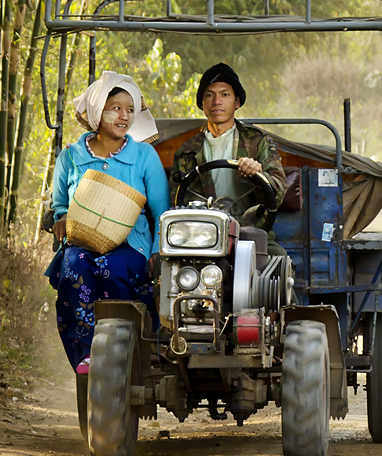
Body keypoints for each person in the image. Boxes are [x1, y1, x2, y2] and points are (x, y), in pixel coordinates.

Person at [47, 72, 169, 375]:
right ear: (96, 110)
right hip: (82, 241)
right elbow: (59, 204)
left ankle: (126, 346)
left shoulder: (144, 155)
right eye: (115, 107)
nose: (124, 116)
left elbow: (161, 212)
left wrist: (157, 253)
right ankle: (86, 354)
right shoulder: (71, 157)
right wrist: (60, 219)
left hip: (131, 245)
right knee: (74, 265)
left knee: (112, 269)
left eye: (130, 109)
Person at [170, 62, 287, 254]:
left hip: (251, 233)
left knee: (277, 260)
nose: (217, 101)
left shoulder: (257, 142)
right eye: (209, 95)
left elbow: (279, 192)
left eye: (225, 95)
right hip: (201, 237)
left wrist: (258, 174)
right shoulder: (186, 152)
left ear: (237, 102)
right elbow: (177, 203)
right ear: (202, 104)